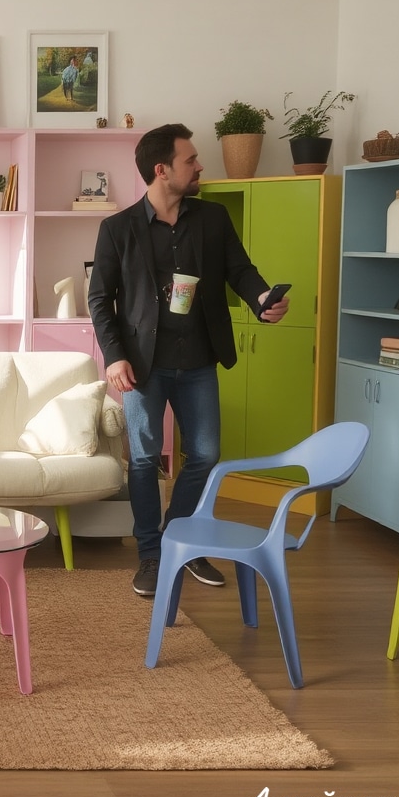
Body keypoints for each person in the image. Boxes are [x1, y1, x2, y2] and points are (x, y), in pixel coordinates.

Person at [87, 124, 288, 597]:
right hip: (143, 366)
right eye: (190, 160)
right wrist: (114, 357)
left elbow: (240, 269)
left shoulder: (213, 218)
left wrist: (263, 298)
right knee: (143, 459)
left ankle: (181, 541)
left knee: (205, 455)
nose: (199, 166)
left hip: (199, 360)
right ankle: (151, 555)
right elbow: (99, 300)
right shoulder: (117, 229)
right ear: (162, 170)